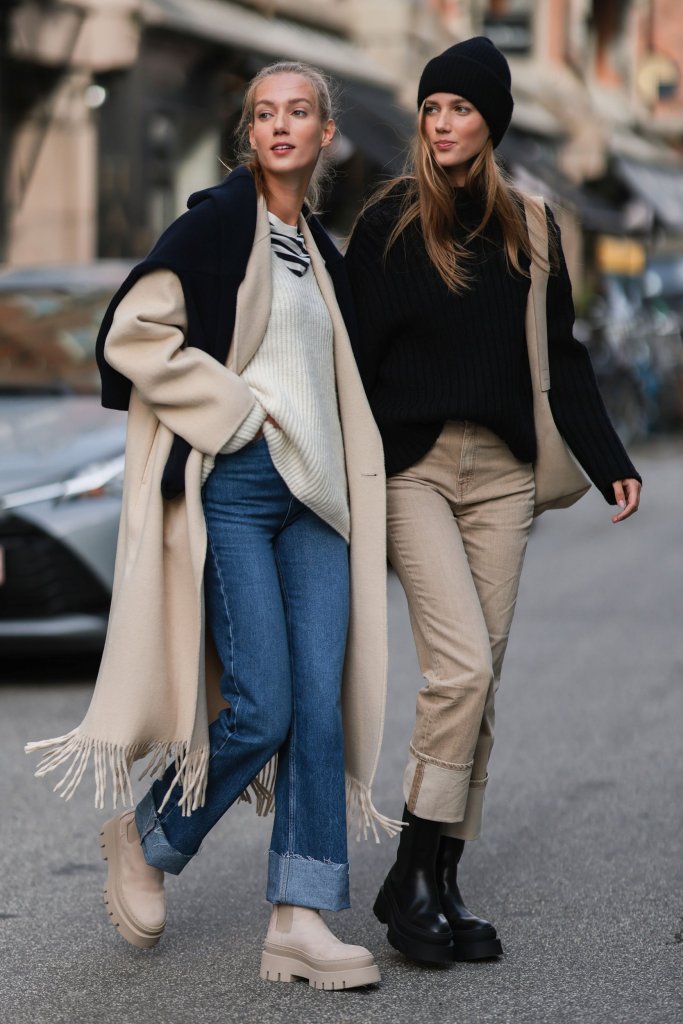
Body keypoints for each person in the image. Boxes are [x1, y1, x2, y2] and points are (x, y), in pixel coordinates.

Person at [26, 61, 398, 991]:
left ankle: (299, 920)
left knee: (318, 711)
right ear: (250, 135)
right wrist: (232, 412)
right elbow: (133, 333)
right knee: (262, 702)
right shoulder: (218, 221)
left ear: (324, 136)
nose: (280, 127)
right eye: (265, 114)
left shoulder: (321, 249)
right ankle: (147, 839)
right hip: (237, 485)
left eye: (299, 113)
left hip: (318, 504)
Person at [344, 37, 642, 966]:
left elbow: (560, 356)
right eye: (431, 108)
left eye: (459, 109)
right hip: (416, 472)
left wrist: (607, 458)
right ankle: (411, 874)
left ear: (490, 122)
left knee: (484, 684)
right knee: (460, 670)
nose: (440, 123)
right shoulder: (390, 220)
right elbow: (349, 356)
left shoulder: (532, 225)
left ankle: (435, 877)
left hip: (503, 475)